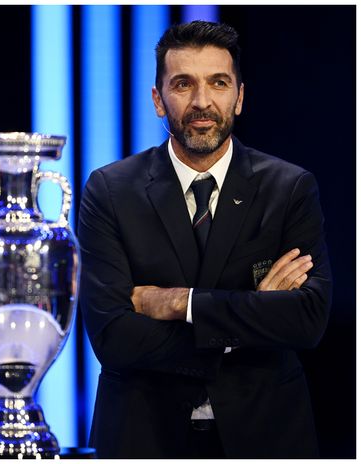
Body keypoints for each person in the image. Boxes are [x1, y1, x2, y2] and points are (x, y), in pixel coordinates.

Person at [78, 21, 331, 458]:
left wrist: (181, 304)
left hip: (265, 434)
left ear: (240, 96)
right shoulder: (110, 190)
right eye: (182, 84)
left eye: (218, 82)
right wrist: (250, 319)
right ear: (158, 100)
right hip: (144, 435)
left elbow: (307, 319)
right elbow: (113, 336)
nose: (201, 101)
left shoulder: (289, 188)